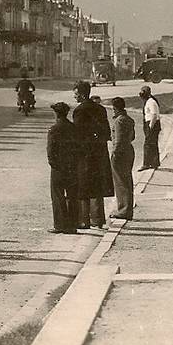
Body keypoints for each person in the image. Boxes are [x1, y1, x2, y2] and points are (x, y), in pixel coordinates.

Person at [72, 81, 114, 230]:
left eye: (76, 94)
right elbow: (107, 132)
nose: (74, 97)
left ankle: (84, 220)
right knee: (97, 183)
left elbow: (77, 134)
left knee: (83, 184)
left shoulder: (80, 111)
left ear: (82, 94)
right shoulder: (100, 109)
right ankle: (98, 219)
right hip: (99, 151)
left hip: (84, 153)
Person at [46, 102, 79, 234]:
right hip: (72, 166)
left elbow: (50, 149)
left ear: (56, 114)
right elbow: (79, 147)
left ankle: (60, 224)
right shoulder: (73, 128)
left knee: (58, 195)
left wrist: (53, 164)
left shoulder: (54, 129)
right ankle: (72, 225)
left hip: (59, 167)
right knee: (72, 196)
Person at [108, 97, 136, 220]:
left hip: (120, 153)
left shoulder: (119, 121)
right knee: (126, 181)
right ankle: (126, 208)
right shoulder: (129, 119)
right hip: (129, 150)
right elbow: (133, 137)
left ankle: (123, 210)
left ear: (115, 108)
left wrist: (114, 153)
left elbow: (118, 141)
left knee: (120, 182)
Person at [137, 85, 161, 171]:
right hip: (151, 123)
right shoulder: (148, 101)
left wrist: (150, 126)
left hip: (152, 124)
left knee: (148, 144)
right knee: (152, 144)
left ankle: (146, 164)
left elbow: (154, 115)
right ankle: (154, 163)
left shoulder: (151, 102)